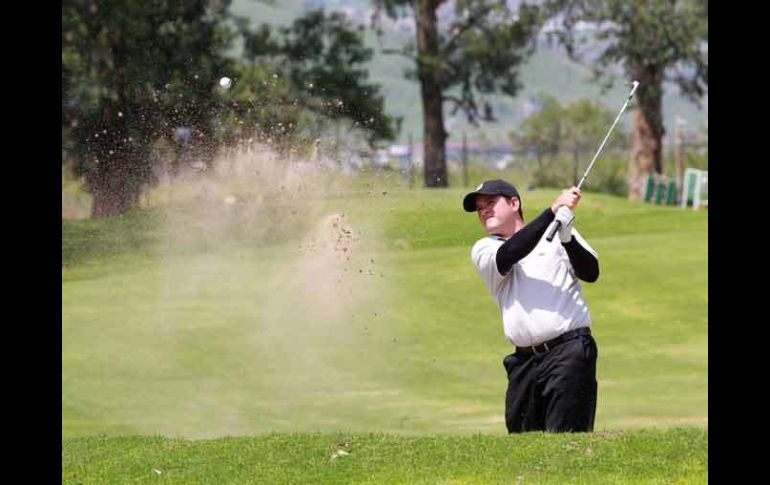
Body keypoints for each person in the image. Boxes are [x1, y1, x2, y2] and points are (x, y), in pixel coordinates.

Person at [463, 179, 600, 433]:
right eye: (480, 208)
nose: (484, 210)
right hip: (524, 363)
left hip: (569, 352)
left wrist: (568, 238)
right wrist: (551, 212)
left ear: (514, 203)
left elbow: (591, 272)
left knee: (566, 440)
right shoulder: (485, 249)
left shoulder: (558, 231)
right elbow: (511, 252)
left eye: (491, 202)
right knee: (524, 444)